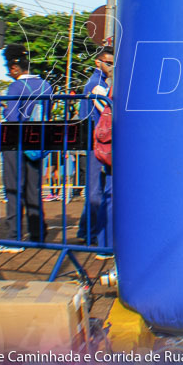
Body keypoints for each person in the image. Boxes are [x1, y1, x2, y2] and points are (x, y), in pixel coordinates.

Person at [0, 44, 53, 254]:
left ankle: (13, 238)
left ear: (14, 68)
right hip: (37, 144)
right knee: (33, 190)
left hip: (16, 144)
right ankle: (38, 234)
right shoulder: (46, 86)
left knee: (14, 189)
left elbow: (12, 118)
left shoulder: (15, 88)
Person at [77, 46, 113, 254]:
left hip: (95, 140)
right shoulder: (95, 85)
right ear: (97, 62)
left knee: (96, 189)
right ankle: (91, 232)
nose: (110, 66)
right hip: (97, 141)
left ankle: (85, 230)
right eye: (107, 62)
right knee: (95, 190)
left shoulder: (100, 84)